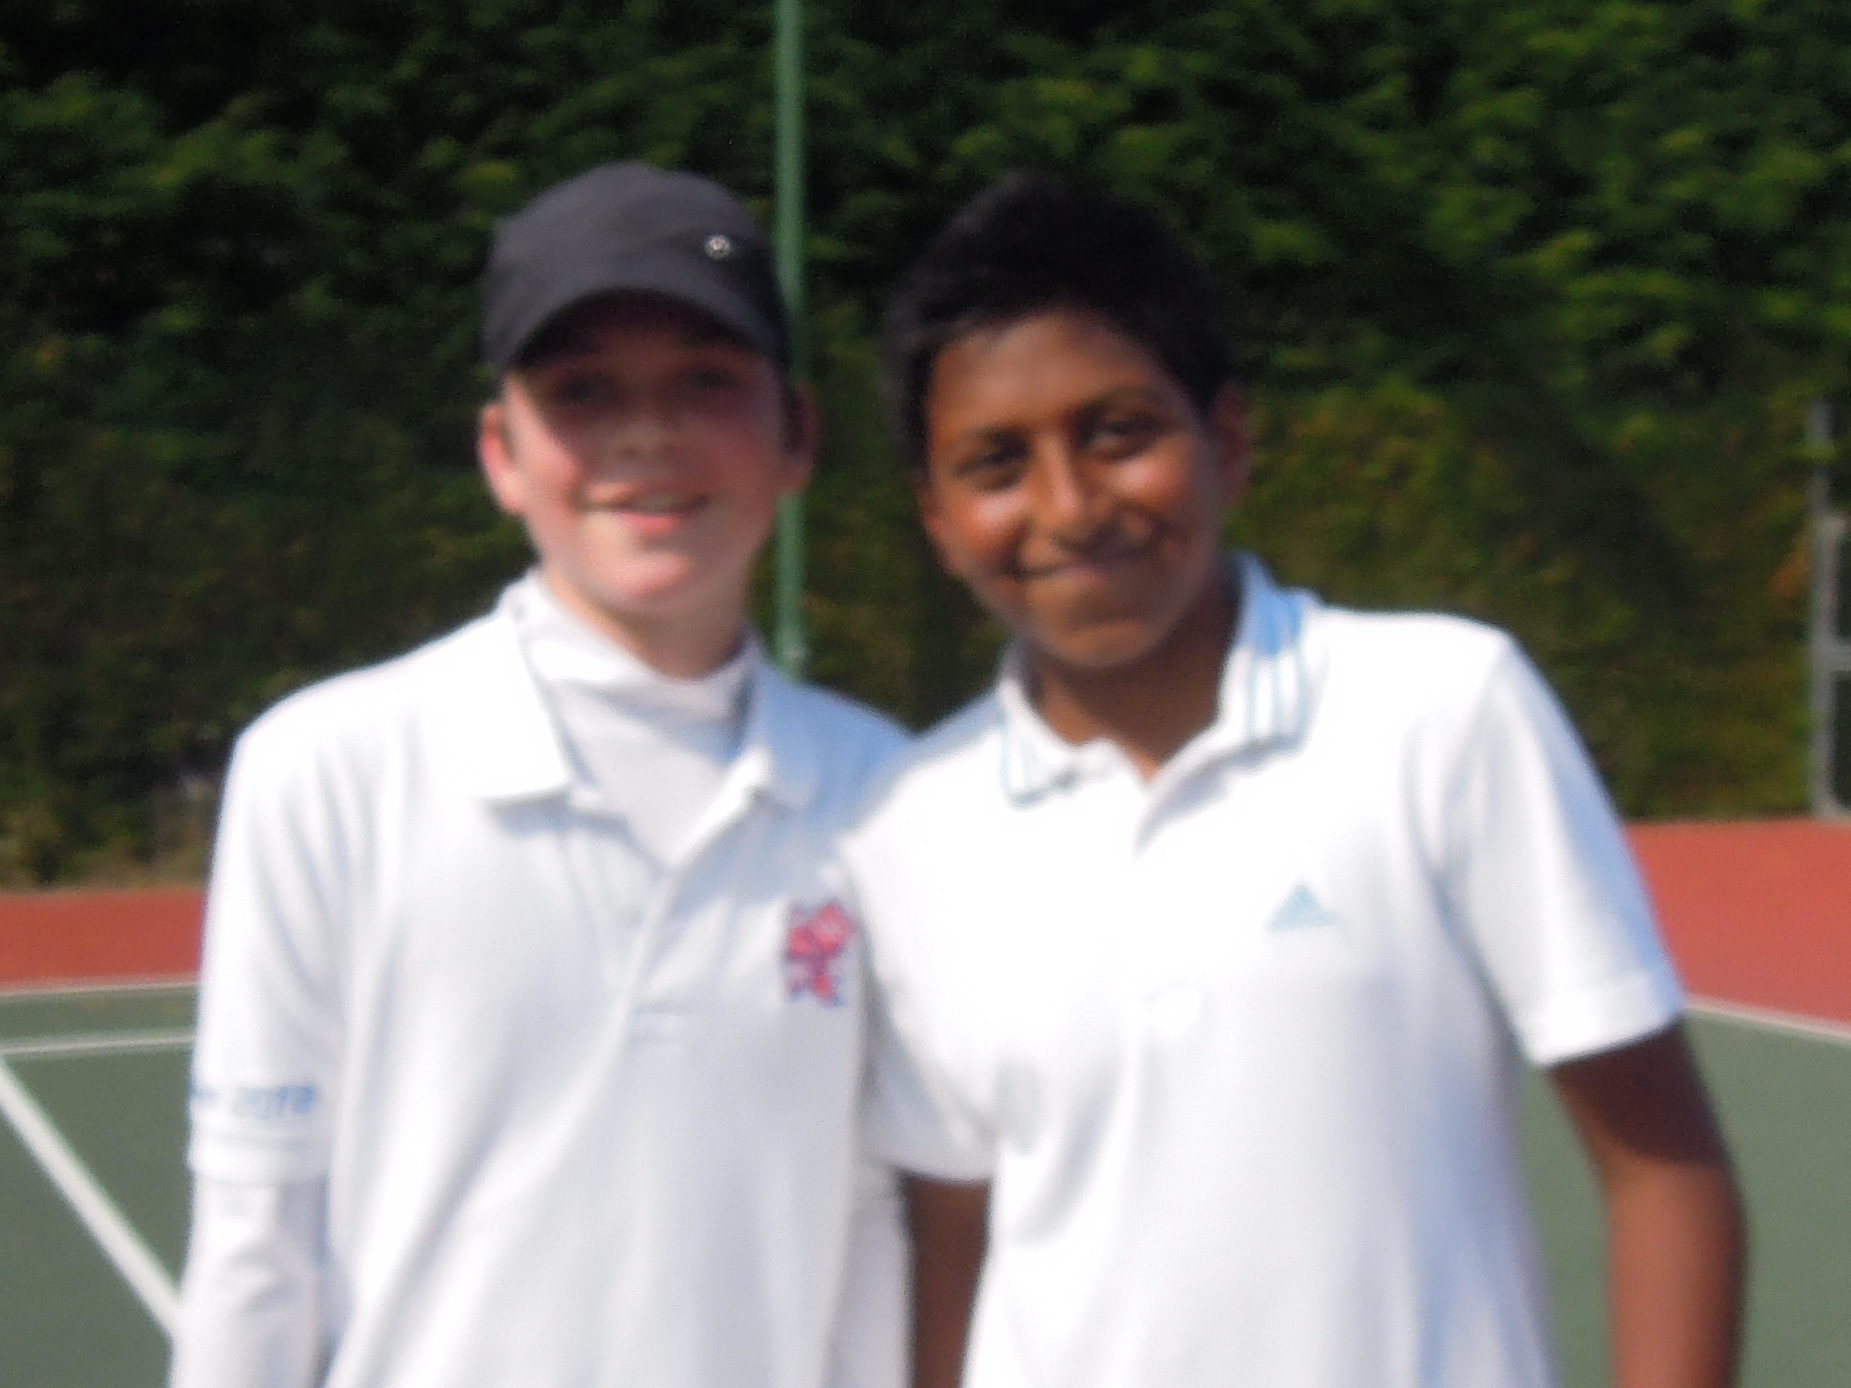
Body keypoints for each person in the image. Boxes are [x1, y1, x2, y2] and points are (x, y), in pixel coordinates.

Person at [849, 172, 1746, 1388]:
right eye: (996, 462)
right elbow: (954, 1248)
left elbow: (1661, 1169)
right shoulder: (906, 827)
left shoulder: (1441, 709)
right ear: (939, 520)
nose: (1067, 505)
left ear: (1226, 439)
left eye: (1118, 432)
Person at [171, 162, 908, 1388]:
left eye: (708, 382)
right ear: (502, 453)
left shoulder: (888, 793)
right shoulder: (325, 770)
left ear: (799, 435)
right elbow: (256, 1243)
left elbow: (876, 1236)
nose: (645, 433)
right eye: (581, 390)